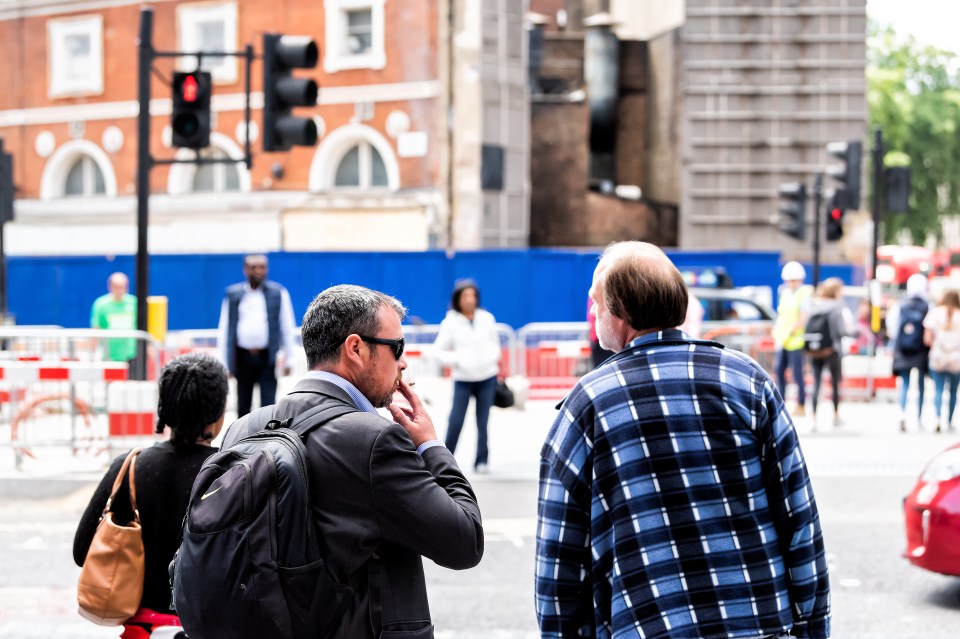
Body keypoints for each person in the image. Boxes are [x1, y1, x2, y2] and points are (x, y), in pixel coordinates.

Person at [536, 241, 830, 639]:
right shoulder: (747, 380)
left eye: (597, 302)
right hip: (759, 627)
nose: (593, 312)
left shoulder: (587, 404)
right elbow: (798, 518)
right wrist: (812, 627)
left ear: (620, 312)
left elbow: (560, 562)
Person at [222, 284, 483, 638]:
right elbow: (464, 541)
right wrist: (430, 445)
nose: (404, 362)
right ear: (356, 348)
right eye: (398, 348)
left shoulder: (243, 429)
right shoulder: (373, 440)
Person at [74, 352, 229, 637]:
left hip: (141, 630)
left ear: (163, 408)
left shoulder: (129, 466)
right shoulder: (231, 472)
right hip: (206, 626)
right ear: (219, 414)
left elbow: (82, 551)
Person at [432, 279, 501, 473]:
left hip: (487, 377)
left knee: (483, 421)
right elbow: (438, 351)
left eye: (472, 296)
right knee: (455, 421)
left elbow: (495, 344)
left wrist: (491, 359)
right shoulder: (450, 322)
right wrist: (457, 360)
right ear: (458, 299)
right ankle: (445, 460)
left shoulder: (486, 318)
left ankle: (482, 460)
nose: (469, 300)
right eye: (465, 296)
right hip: (463, 379)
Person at [216, 254, 298, 417]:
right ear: (245, 270)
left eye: (262, 267)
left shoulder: (278, 293)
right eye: (254, 267)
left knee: (268, 407)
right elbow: (225, 330)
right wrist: (225, 363)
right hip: (242, 358)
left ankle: (267, 440)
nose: (258, 271)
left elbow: (286, 327)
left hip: (266, 358)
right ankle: (243, 440)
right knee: (243, 407)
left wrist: (290, 358)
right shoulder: (234, 295)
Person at [805, 277, 856, 427]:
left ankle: (813, 417)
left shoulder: (815, 304)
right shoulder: (836, 307)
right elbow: (840, 331)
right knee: (834, 384)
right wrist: (855, 332)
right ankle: (835, 416)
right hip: (832, 350)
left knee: (816, 383)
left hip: (815, 350)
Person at [888, 273, 931, 432]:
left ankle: (902, 414)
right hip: (920, 349)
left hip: (903, 349)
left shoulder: (900, 304)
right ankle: (919, 418)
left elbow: (892, 327)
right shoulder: (927, 305)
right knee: (920, 385)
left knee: (905, 383)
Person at [773, 260, 813, 416]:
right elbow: (782, 315)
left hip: (796, 340)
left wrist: (791, 331)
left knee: (798, 375)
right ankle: (780, 404)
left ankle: (801, 405)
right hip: (783, 339)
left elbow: (803, 317)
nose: (790, 282)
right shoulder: (784, 292)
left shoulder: (805, 293)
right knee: (779, 371)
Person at [924, 289, 960, 433]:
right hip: (956, 358)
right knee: (953, 391)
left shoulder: (935, 313)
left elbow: (927, 339)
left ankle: (937, 418)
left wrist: (940, 348)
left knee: (938, 389)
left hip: (937, 357)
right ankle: (949, 421)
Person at [90, 272, 137, 363]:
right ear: (110, 287)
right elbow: (96, 329)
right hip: (110, 355)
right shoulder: (101, 304)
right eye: (116, 287)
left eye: (122, 287)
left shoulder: (134, 303)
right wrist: (93, 352)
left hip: (131, 354)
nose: (119, 291)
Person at [587, 295, 615, 368]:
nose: (592, 310)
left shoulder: (597, 293)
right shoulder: (599, 292)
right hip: (600, 340)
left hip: (601, 339)